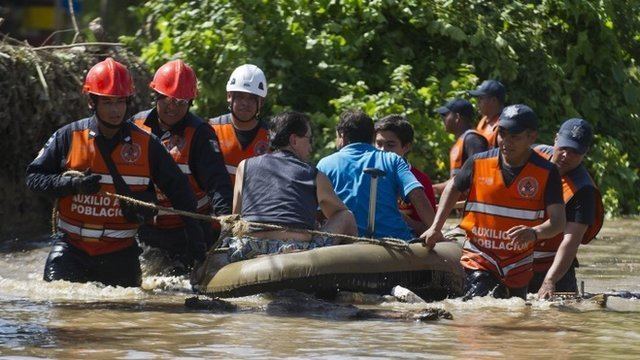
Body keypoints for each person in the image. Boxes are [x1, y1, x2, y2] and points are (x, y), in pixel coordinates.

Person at [26, 58, 205, 287]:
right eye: (108, 102)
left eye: (120, 102)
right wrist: (70, 185)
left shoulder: (148, 145)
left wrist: (200, 257)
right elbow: (33, 178)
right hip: (71, 250)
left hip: (120, 255)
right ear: (92, 101)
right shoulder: (67, 136)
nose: (115, 111)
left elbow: (184, 198)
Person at [422, 104, 566, 299]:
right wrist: (436, 227)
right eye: (502, 134)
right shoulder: (478, 162)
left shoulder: (547, 173)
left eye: (514, 136)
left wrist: (534, 233)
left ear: (532, 137)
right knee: (479, 306)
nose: (506, 142)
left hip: (519, 262)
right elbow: (453, 187)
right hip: (480, 257)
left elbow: (558, 222)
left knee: (514, 315)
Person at [131, 60, 233, 273]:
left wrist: (225, 219)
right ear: (157, 95)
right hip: (146, 229)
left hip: (188, 230)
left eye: (181, 102)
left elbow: (217, 181)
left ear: (190, 103)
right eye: (168, 99)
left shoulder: (201, 134)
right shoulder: (135, 126)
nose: (173, 107)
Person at [223, 111, 357, 262]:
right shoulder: (314, 175)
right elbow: (337, 213)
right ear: (294, 140)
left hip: (248, 248)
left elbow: (236, 218)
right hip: (294, 250)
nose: (311, 148)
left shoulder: (244, 166)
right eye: (309, 139)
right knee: (347, 217)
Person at [317, 110, 434, 241]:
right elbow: (417, 194)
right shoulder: (393, 159)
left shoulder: (324, 164)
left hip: (348, 243)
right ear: (372, 136)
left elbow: (317, 209)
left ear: (342, 135)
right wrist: (435, 229)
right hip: (397, 241)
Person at [530, 118, 604, 298]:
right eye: (563, 148)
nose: (565, 156)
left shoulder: (583, 190)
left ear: (585, 152)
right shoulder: (532, 156)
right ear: (555, 139)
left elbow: (570, 243)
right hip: (519, 262)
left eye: (574, 152)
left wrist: (550, 281)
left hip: (555, 269)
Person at [374, 114, 436, 236]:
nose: (382, 150)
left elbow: (430, 228)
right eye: (378, 144)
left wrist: (399, 218)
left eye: (390, 145)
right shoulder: (366, 174)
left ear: (406, 147)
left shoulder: (421, 180)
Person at [209, 64, 270, 184]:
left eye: (252, 98)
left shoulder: (271, 137)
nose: (245, 103)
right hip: (217, 202)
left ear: (261, 102)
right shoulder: (211, 129)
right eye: (240, 97)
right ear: (229, 96)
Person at [433, 99, 488, 196]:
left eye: (445, 115)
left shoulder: (472, 140)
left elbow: (481, 176)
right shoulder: (463, 140)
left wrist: (434, 189)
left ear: (457, 117)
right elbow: (457, 181)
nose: (443, 119)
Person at [468, 80, 506, 148]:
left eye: (481, 99)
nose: (477, 103)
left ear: (493, 100)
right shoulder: (484, 120)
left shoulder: (504, 125)